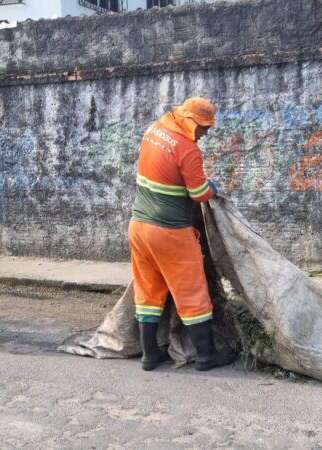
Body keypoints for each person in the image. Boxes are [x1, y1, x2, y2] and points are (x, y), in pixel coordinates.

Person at [129, 97, 234, 371]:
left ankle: (150, 356)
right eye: (204, 128)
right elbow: (198, 193)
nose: (205, 135)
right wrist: (213, 188)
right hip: (170, 231)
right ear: (190, 121)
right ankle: (206, 356)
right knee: (192, 293)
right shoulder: (187, 148)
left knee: (148, 292)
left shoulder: (154, 131)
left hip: (138, 227)